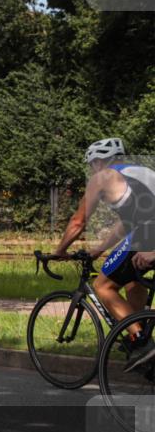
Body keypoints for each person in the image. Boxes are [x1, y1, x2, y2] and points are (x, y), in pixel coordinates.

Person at [54, 138, 155, 370]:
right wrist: (99, 249)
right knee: (131, 281)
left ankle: (142, 343)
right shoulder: (141, 172)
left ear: (98, 162)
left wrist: (58, 252)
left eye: (91, 165)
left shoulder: (102, 177)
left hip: (148, 232)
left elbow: (78, 222)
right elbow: (124, 224)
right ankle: (135, 335)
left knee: (102, 286)